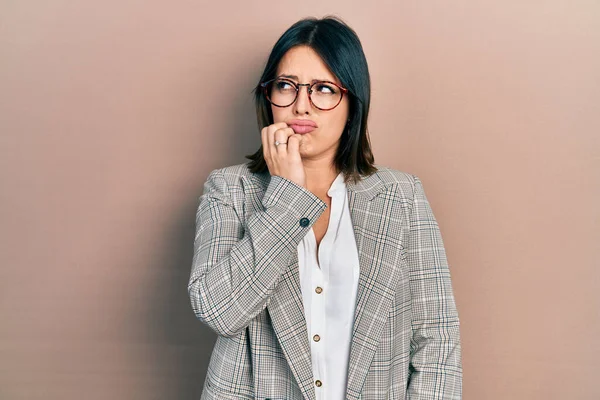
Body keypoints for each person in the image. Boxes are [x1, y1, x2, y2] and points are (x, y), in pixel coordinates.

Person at [188, 15, 462, 400]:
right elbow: (220, 311)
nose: (301, 106)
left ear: (352, 101)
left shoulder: (402, 197)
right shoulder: (229, 190)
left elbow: (438, 342)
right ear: (268, 96)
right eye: (286, 86)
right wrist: (286, 196)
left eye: (323, 89)